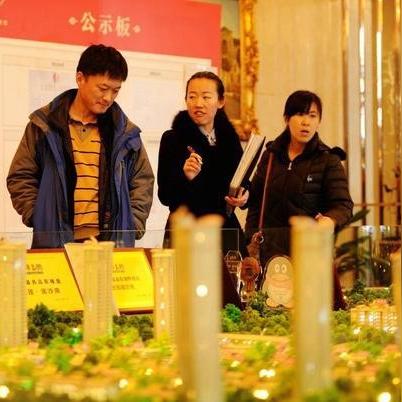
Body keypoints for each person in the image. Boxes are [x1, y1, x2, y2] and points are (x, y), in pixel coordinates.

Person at [7, 44, 154, 248]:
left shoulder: (123, 132)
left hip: (108, 245)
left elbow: (142, 180)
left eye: (115, 91)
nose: (108, 98)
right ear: (80, 78)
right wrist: (39, 216)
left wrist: (131, 224)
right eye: (103, 88)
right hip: (56, 243)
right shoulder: (43, 125)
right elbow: (20, 176)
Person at [245, 90, 354, 274]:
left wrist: (330, 220)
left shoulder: (329, 160)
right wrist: (250, 237)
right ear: (287, 118)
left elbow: (343, 206)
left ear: (319, 121)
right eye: (300, 114)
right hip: (268, 257)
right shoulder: (270, 156)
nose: (306, 122)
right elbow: (255, 201)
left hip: (308, 254)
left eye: (312, 116)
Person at [157, 71, 248, 255]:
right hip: (186, 230)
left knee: (235, 273)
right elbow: (164, 195)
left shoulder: (230, 139)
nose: (198, 103)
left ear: (220, 101)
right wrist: (184, 176)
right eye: (192, 96)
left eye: (206, 97)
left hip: (224, 231)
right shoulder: (173, 139)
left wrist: (244, 196)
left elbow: (244, 181)